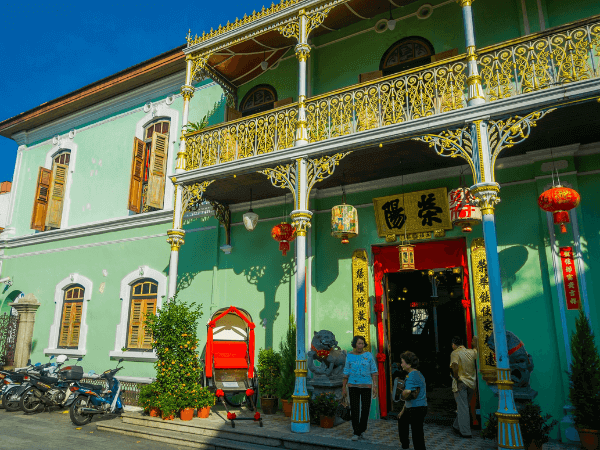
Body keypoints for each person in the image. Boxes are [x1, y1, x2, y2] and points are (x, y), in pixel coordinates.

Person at [341, 335, 378, 441]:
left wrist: (375, 386)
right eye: (358, 343)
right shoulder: (350, 356)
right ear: (354, 344)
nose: (360, 346)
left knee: (366, 409)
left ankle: (362, 429)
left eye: (362, 343)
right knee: (355, 409)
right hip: (353, 386)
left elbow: (374, 372)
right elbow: (346, 372)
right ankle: (356, 432)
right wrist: (343, 387)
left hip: (367, 386)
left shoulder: (369, 355)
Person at [397, 351, 427, 450]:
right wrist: (403, 410)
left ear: (409, 364)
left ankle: (407, 445)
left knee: (417, 433)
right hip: (415, 407)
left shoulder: (412, 375)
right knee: (403, 421)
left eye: (402, 362)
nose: (401, 364)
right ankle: (405, 445)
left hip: (416, 408)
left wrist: (401, 395)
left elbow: (408, 392)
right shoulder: (417, 374)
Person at [450, 335, 478, 438]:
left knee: (462, 407)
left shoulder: (455, 353)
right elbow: (476, 349)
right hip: (471, 383)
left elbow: (455, 365)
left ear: (454, 344)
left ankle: (466, 432)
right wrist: (475, 339)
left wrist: (456, 377)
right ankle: (456, 426)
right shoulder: (470, 352)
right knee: (464, 406)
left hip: (461, 382)